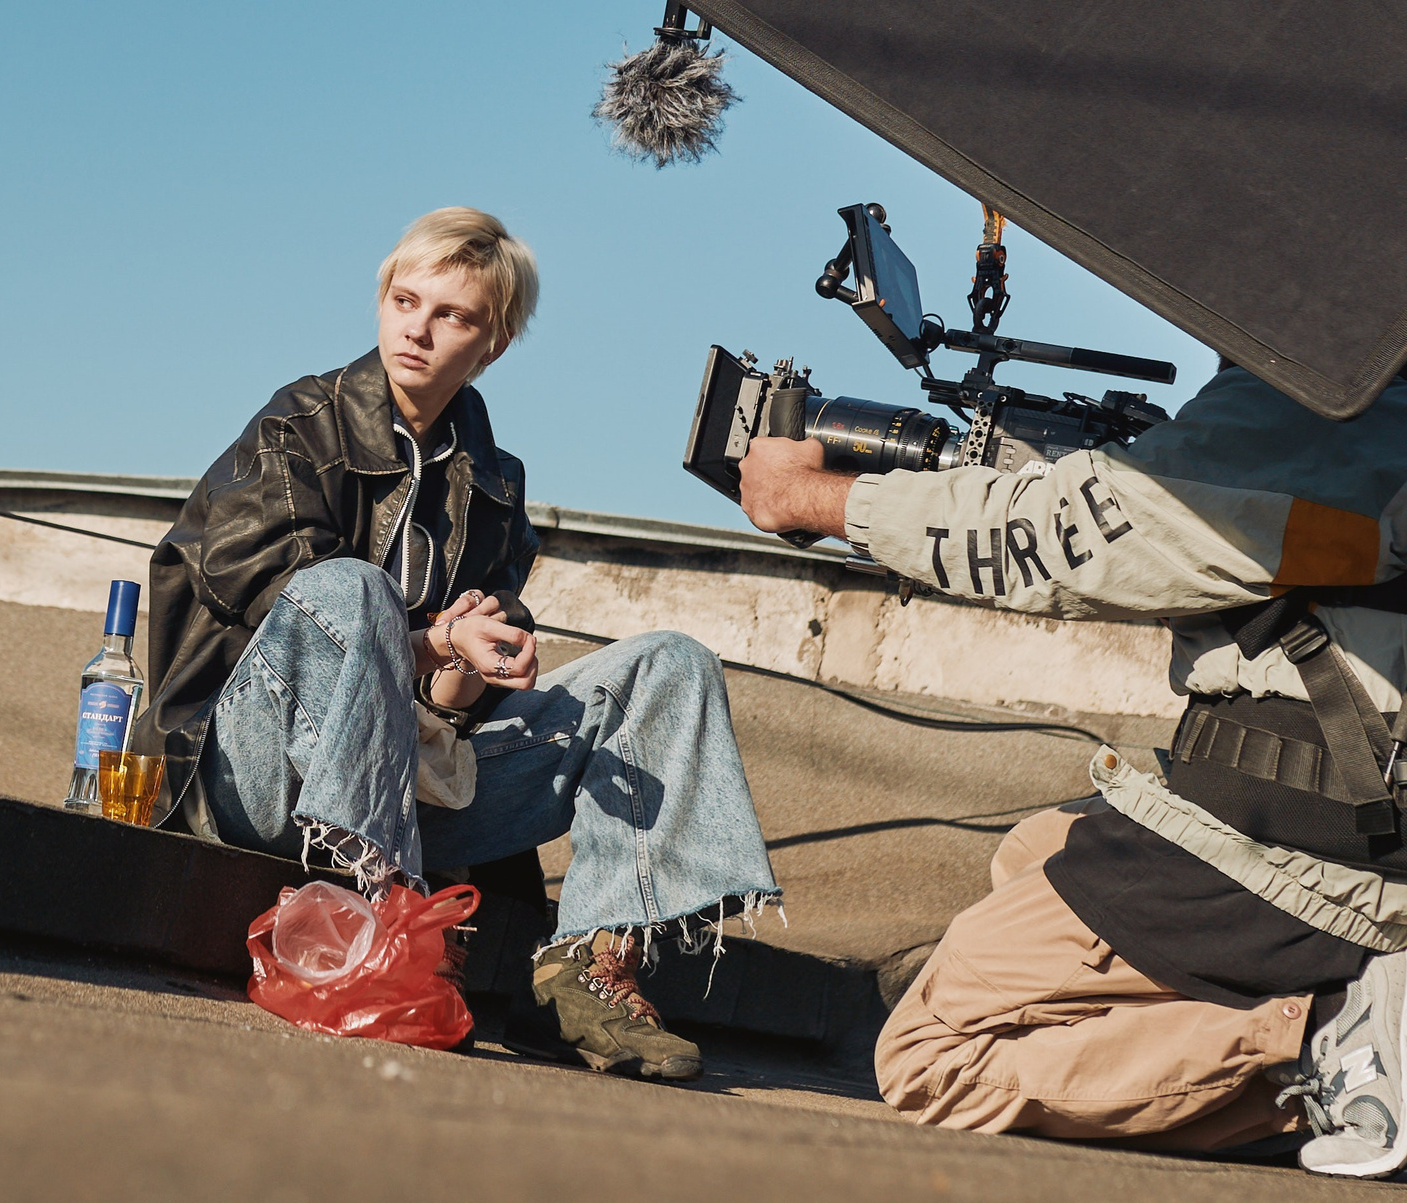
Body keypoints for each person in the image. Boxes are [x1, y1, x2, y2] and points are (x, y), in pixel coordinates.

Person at [130, 207, 779, 1082]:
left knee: (671, 665)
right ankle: (389, 922)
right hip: (252, 767)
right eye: (404, 300)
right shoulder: (298, 427)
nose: (417, 328)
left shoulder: (495, 484)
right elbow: (264, 603)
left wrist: (470, 670)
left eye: (451, 315)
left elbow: (448, 714)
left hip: (410, 780)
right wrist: (435, 637)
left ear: (493, 343)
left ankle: (585, 970)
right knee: (352, 587)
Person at [739, 364, 1407, 1173]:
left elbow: (1055, 536)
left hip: (1302, 841)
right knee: (1032, 849)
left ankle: (1327, 1037)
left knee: (928, 1057)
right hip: (1336, 811)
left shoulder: (1331, 397)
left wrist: (817, 498)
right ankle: (1283, 1030)